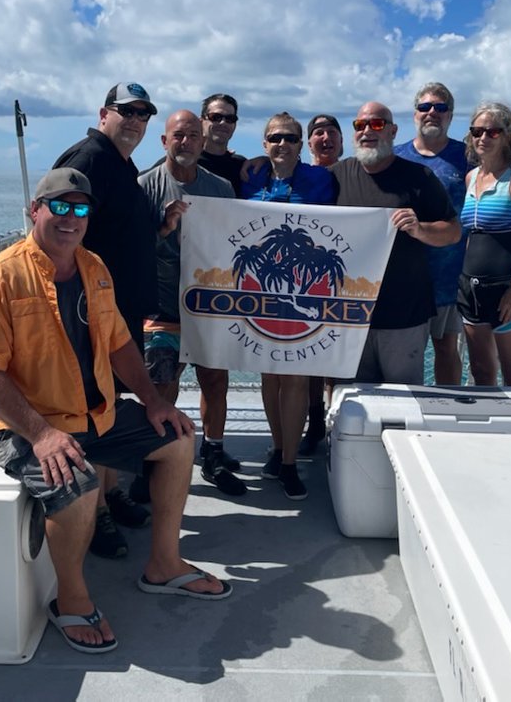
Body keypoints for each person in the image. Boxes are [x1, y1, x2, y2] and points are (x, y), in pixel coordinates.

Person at [0, 168, 230, 656]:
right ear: (34, 211)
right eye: (59, 206)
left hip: (93, 414)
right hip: (20, 423)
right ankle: (72, 599)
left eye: (80, 208)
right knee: (76, 484)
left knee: (178, 440)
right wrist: (41, 435)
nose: (71, 218)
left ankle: (164, 564)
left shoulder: (94, 267)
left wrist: (153, 400)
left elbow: (122, 344)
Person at [53, 82, 166, 558]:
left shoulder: (122, 164)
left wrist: (164, 226)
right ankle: (94, 515)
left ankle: (111, 493)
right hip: (91, 313)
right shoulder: (88, 159)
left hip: (122, 314)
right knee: (95, 408)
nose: (137, 120)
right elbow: (57, 228)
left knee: (110, 405)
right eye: (128, 111)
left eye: (144, 114)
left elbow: (120, 231)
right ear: (105, 113)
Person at [138, 111, 246, 497]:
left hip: (209, 307)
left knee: (215, 381)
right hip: (161, 307)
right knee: (161, 386)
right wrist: (162, 229)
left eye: (192, 136)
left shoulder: (221, 188)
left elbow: (236, 245)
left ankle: (213, 454)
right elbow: (129, 254)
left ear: (204, 142)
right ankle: (154, 460)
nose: (185, 142)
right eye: (178, 136)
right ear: (164, 142)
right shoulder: (144, 186)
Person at [241, 113, 336, 501]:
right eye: (275, 138)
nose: (283, 144)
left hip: (304, 291)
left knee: (295, 377)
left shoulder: (320, 179)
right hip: (262, 291)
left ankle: (291, 463)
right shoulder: (250, 178)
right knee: (270, 376)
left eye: (291, 138)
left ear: (302, 144)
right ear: (264, 144)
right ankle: (279, 449)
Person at [331, 102, 461, 384]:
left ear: (392, 131)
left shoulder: (419, 177)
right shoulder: (336, 176)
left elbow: (452, 231)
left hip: (405, 316)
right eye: (360, 125)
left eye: (377, 124)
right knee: (353, 402)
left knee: (404, 404)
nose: (367, 131)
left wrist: (420, 229)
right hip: (350, 317)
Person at [458, 102, 511, 387]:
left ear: (507, 136)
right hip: (470, 289)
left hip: (506, 289)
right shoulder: (471, 178)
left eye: (492, 132)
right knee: (481, 372)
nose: (483, 137)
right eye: (477, 131)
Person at [393, 82, 469, 385]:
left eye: (440, 107)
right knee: (402, 353)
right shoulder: (395, 157)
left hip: (450, 275)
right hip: (402, 275)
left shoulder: (468, 156)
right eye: (425, 107)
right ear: (415, 114)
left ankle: (447, 411)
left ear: (450, 115)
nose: (432, 113)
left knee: (447, 349)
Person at [299, 113, 343, 456]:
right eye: (317, 133)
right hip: (305, 280)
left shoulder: (353, 173)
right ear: (308, 142)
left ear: (341, 141)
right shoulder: (301, 177)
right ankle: (314, 423)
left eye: (331, 132)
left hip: (343, 277)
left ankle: (337, 422)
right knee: (310, 358)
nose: (325, 137)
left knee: (339, 357)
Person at [197, 93, 246, 195]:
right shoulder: (184, 163)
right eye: (215, 117)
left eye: (230, 119)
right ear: (201, 122)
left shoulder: (242, 167)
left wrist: (265, 160)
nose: (223, 123)